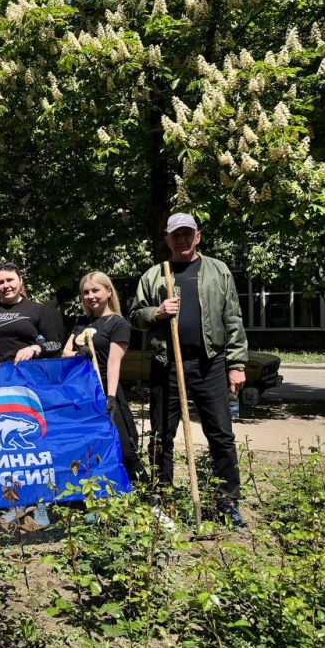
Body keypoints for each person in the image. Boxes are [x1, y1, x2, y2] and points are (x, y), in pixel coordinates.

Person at [129, 212, 249, 528]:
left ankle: (227, 502)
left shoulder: (218, 271)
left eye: (187, 234)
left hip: (210, 364)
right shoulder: (154, 276)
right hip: (166, 366)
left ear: (197, 236)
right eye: (175, 235)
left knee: (221, 436)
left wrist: (236, 365)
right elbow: (135, 317)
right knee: (161, 436)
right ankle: (162, 501)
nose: (181, 239)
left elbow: (233, 318)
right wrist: (157, 312)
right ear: (167, 239)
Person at [0, 261, 63, 527]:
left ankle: (41, 503)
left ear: (20, 281)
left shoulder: (38, 309)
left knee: (36, 443)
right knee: (9, 449)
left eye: (10, 280)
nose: (5, 286)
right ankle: (15, 503)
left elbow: (55, 343)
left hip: (33, 385)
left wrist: (35, 349)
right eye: (0, 282)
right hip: (0, 386)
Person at [63, 271, 150, 486]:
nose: (90, 296)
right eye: (86, 292)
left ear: (109, 291)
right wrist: (79, 354)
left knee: (124, 446)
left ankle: (149, 496)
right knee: (88, 445)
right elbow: (65, 353)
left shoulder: (118, 323)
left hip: (105, 390)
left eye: (95, 290)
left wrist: (110, 398)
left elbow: (113, 362)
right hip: (82, 393)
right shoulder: (81, 322)